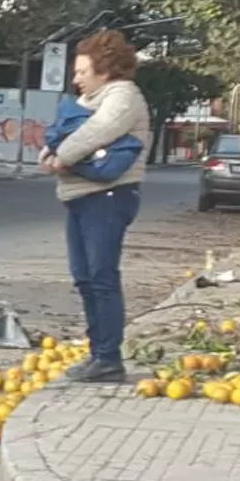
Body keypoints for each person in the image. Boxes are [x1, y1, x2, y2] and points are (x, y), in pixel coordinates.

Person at [40, 29, 151, 383]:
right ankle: (97, 352)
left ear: (104, 72)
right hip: (80, 197)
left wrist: (62, 157)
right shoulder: (90, 101)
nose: (76, 80)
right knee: (85, 278)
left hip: (108, 198)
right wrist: (52, 153)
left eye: (82, 73)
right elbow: (62, 133)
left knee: (102, 277)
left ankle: (108, 357)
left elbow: (94, 133)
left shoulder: (123, 97)